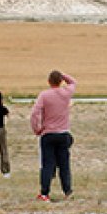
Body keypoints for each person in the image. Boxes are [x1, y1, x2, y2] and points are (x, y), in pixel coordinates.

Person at [30, 70, 76, 202]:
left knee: (47, 164)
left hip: (48, 133)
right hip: (63, 133)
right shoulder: (66, 93)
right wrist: (63, 75)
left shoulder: (44, 95)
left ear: (49, 81)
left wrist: (36, 129)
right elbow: (73, 82)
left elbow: (35, 113)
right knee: (64, 164)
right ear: (61, 81)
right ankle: (67, 191)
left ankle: (44, 193)